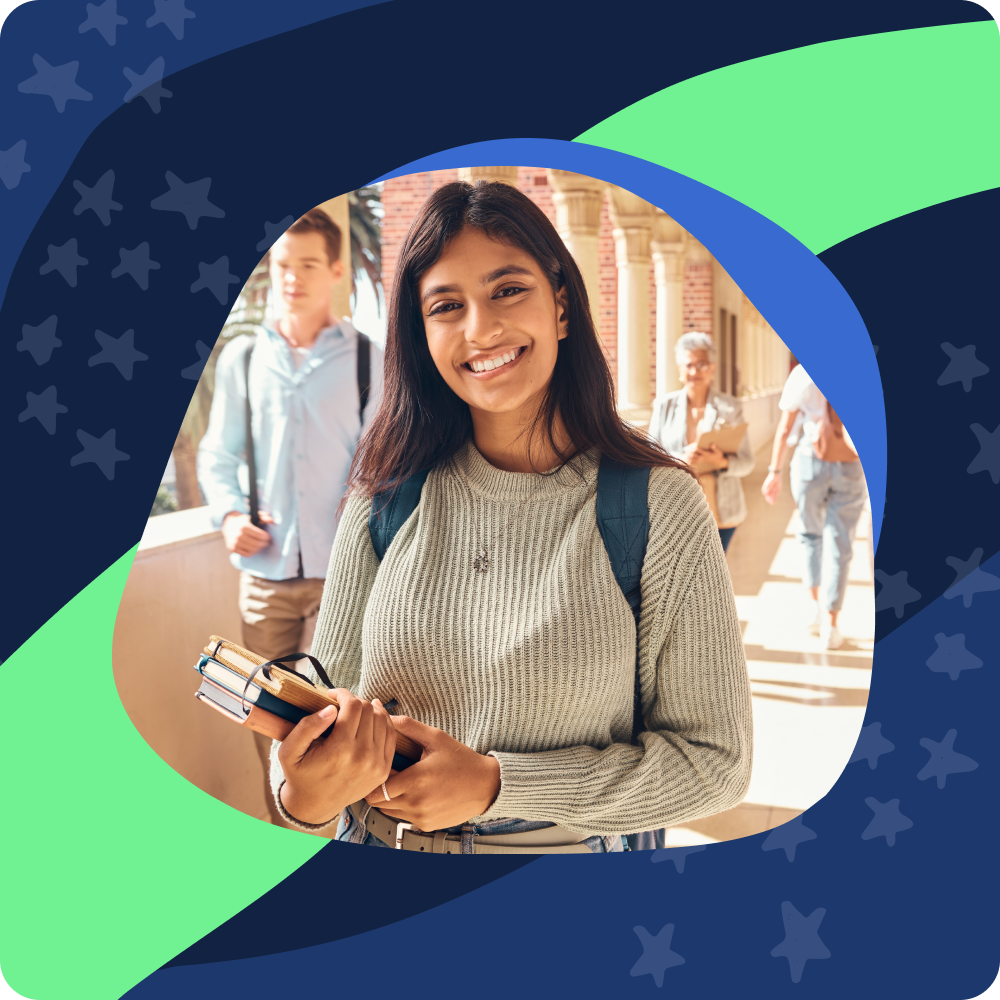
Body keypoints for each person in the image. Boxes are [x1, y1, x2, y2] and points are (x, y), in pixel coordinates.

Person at [267, 181, 752, 853]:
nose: (480, 329)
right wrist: (303, 793)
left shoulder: (655, 505)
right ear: (422, 334)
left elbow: (715, 765)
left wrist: (499, 784)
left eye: (507, 290)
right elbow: (326, 709)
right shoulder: (383, 498)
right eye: (446, 306)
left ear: (560, 306)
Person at [197, 207, 383, 825]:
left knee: (343, 721)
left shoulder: (369, 360)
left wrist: (359, 500)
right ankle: (287, 842)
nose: (293, 278)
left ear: (335, 271)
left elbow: (386, 459)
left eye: (308, 265)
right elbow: (219, 455)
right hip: (265, 577)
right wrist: (228, 517)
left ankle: (350, 838)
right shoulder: (243, 360)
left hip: (347, 577)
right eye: (282, 266)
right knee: (268, 723)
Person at [761, 363, 865, 650]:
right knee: (841, 543)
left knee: (809, 534)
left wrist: (775, 472)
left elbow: (784, 430)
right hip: (849, 462)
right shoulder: (858, 370)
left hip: (810, 459)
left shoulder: (803, 374)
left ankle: (814, 606)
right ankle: (831, 625)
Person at [648, 332, 754, 552]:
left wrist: (721, 461)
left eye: (702, 364)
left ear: (712, 368)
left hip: (721, 508)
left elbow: (747, 463)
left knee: (715, 577)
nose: (694, 371)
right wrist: (680, 458)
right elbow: (649, 456)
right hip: (676, 508)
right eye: (688, 365)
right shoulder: (663, 406)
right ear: (680, 370)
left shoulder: (731, 407)